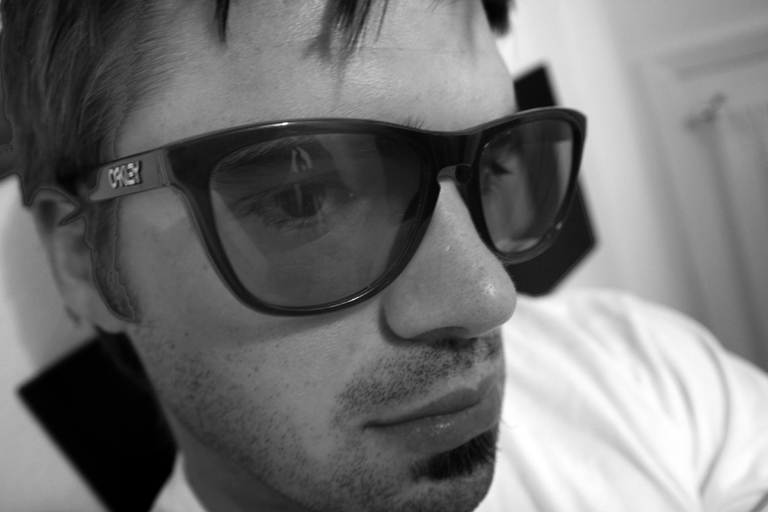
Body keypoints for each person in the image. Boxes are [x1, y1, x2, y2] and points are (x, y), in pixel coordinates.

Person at [2, 1, 767, 511]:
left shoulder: (640, 365)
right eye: (301, 198)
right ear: (82, 258)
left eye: (493, 168)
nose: (490, 298)